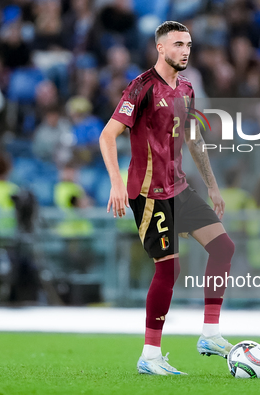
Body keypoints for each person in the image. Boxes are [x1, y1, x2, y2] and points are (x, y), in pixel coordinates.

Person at [99, 21, 235, 375]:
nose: (185, 50)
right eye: (177, 44)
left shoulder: (187, 89)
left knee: (224, 248)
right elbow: (107, 136)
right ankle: (149, 355)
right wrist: (116, 183)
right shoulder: (141, 87)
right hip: (148, 193)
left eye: (188, 44)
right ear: (160, 48)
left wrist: (212, 184)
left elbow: (193, 139)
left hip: (178, 187)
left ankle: (210, 334)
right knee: (169, 268)